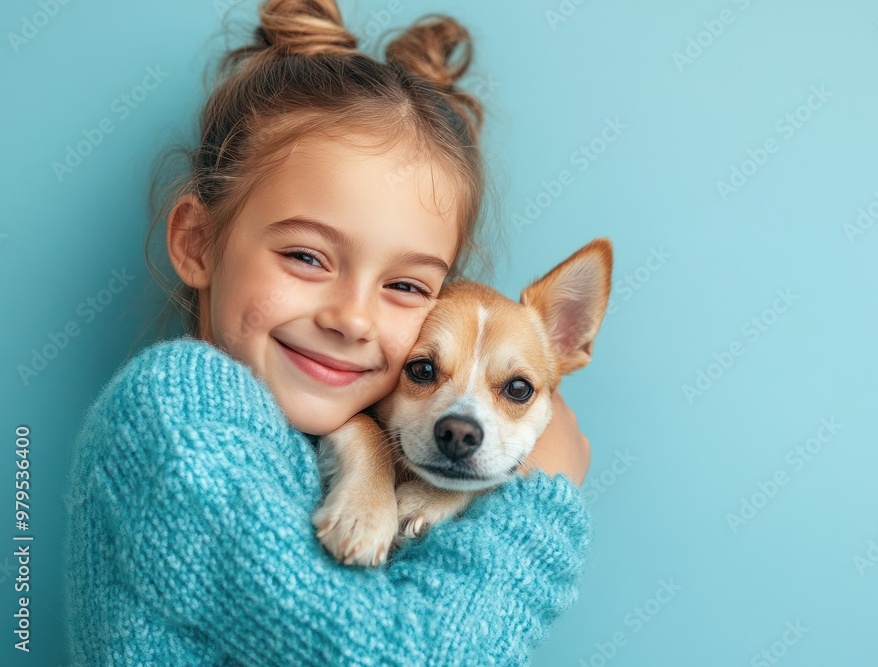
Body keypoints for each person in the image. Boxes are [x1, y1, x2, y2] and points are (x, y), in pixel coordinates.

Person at [62, 0, 594, 664]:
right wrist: (540, 501)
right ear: (198, 242)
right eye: (307, 256)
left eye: (404, 286)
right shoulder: (178, 412)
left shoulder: (324, 433)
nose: (351, 317)